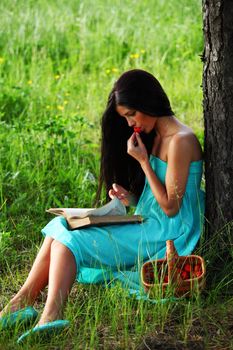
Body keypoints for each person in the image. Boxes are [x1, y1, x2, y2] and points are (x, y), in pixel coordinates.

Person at [0, 69, 205, 342]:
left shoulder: (181, 140)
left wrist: (144, 161)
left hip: (167, 233)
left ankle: (51, 315)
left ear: (148, 101)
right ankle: (22, 301)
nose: (131, 122)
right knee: (60, 224)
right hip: (150, 221)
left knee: (68, 242)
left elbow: (170, 208)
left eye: (132, 113)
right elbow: (157, 197)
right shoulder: (156, 134)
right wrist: (130, 199)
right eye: (125, 117)